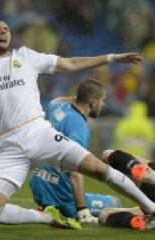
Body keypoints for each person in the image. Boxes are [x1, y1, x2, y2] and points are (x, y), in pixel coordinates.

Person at [0, 20, 155, 230]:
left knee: (97, 168)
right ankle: (47, 217)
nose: (3, 31)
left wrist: (112, 57)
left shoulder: (25, 57)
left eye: (6, 28)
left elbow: (71, 64)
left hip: (38, 132)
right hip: (8, 147)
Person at [30, 79, 121, 223]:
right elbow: (75, 172)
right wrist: (82, 210)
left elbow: (56, 100)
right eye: (102, 100)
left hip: (38, 181)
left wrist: (78, 98)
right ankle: (60, 211)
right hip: (59, 193)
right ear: (92, 103)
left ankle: (47, 208)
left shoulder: (57, 108)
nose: (103, 104)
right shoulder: (78, 127)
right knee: (115, 203)